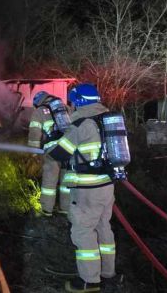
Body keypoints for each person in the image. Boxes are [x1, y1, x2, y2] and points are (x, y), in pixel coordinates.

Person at [44, 83, 117, 293]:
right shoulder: (105, 120)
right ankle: (107, 273)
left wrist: (50, 140)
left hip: (87, 190)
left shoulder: (81, 124)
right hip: (107, 186)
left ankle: (89, 281)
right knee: (103, 228)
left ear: (78, 102)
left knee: (83, 232)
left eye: (73, 102)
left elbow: (59, 154)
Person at [27, 91, 70, 215]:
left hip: (52, 150)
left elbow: (34, 134)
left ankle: (47, 209)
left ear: (38, 102)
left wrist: (33, 152)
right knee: (66, 181)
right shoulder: (65, 107)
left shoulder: (39, 111)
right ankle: (65, 208)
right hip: (69, 147)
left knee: (49, 181)